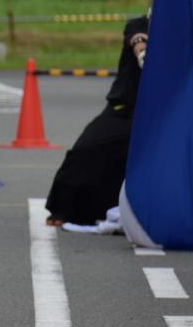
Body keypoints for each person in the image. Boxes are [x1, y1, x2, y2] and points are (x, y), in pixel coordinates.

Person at [45, 17, 148, 226]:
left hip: (157, 116)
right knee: (86, 149)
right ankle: (66, 209)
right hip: (123, 110)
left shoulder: (180, 34)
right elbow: (137, 39)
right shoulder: (140, 24)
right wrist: (142, 51)